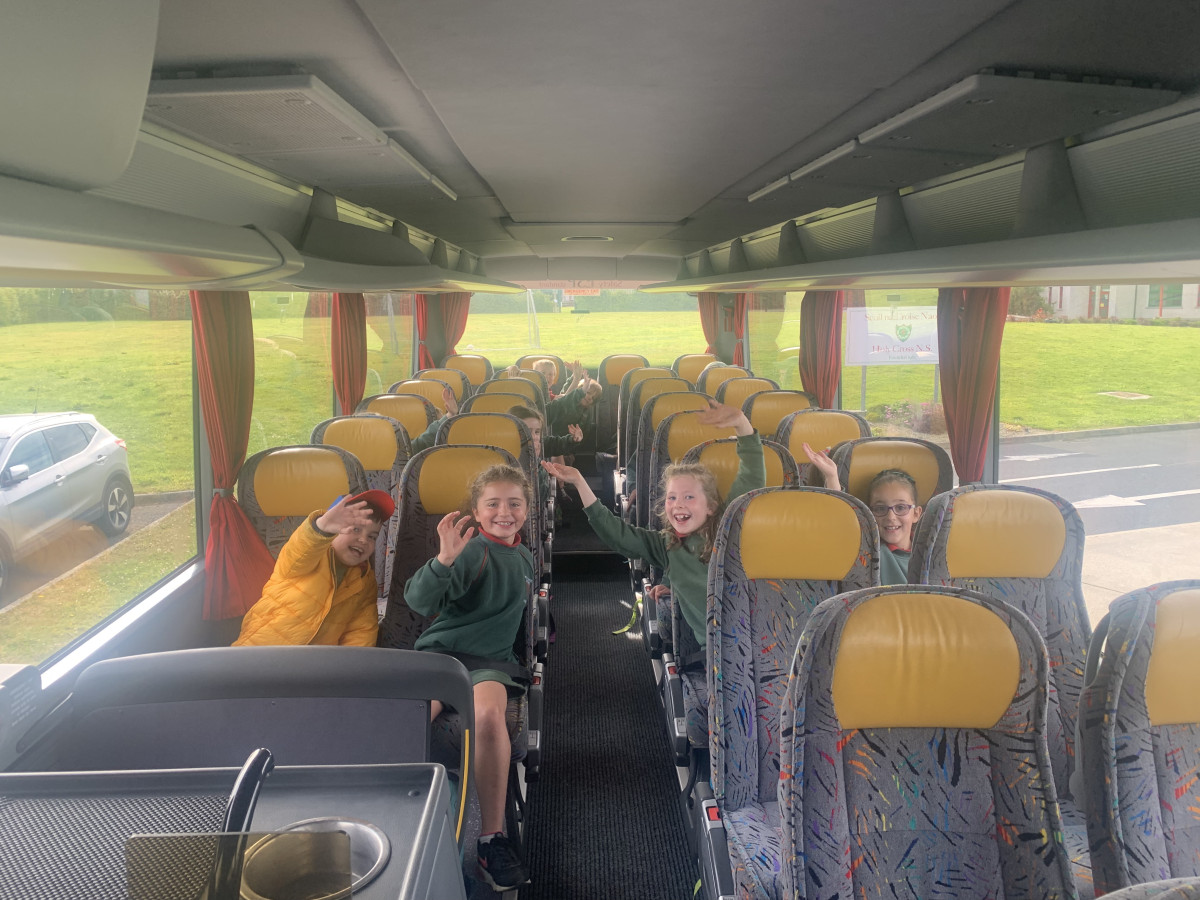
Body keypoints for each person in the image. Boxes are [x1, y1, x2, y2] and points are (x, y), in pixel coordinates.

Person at [404, 465, 536, 892]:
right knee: (411, 719)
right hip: (441, 654)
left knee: (488, 718)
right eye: (493, 504)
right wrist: (444, 559)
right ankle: (396, 812)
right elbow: (420, 600)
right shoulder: (470, 552)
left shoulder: (524, 556)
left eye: (514, 503)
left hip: (490, 664)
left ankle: (490, 839)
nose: (504, 512)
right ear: (476, 513)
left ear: (527, 510)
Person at [543, 400, 761, 651]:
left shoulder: (730, 525)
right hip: (719, 656)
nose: (678, 505)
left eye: (689, 497)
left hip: (765, 639)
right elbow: (618, 534)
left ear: (711, 506)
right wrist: (580, 482)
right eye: (672, 498)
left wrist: (742, 424)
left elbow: (751, 475)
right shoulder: (667, 545)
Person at [234, 490, 394, 647]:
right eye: (355, 529)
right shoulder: (309, 557)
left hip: (314, 661)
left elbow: (361, 631)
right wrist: (322, 527)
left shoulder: (365, 582)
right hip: (259, 649)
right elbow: (300, 548)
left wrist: (352, 663)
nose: (364, 540)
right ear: (334, 529)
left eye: (372, 536)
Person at [803, 444, 921, 585]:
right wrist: (832, 478)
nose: (891, 517)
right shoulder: (870, 550)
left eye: (901, 507)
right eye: (880, 508)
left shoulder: (929, 549)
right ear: (870, 513)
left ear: (916, 514)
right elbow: (842, 526)